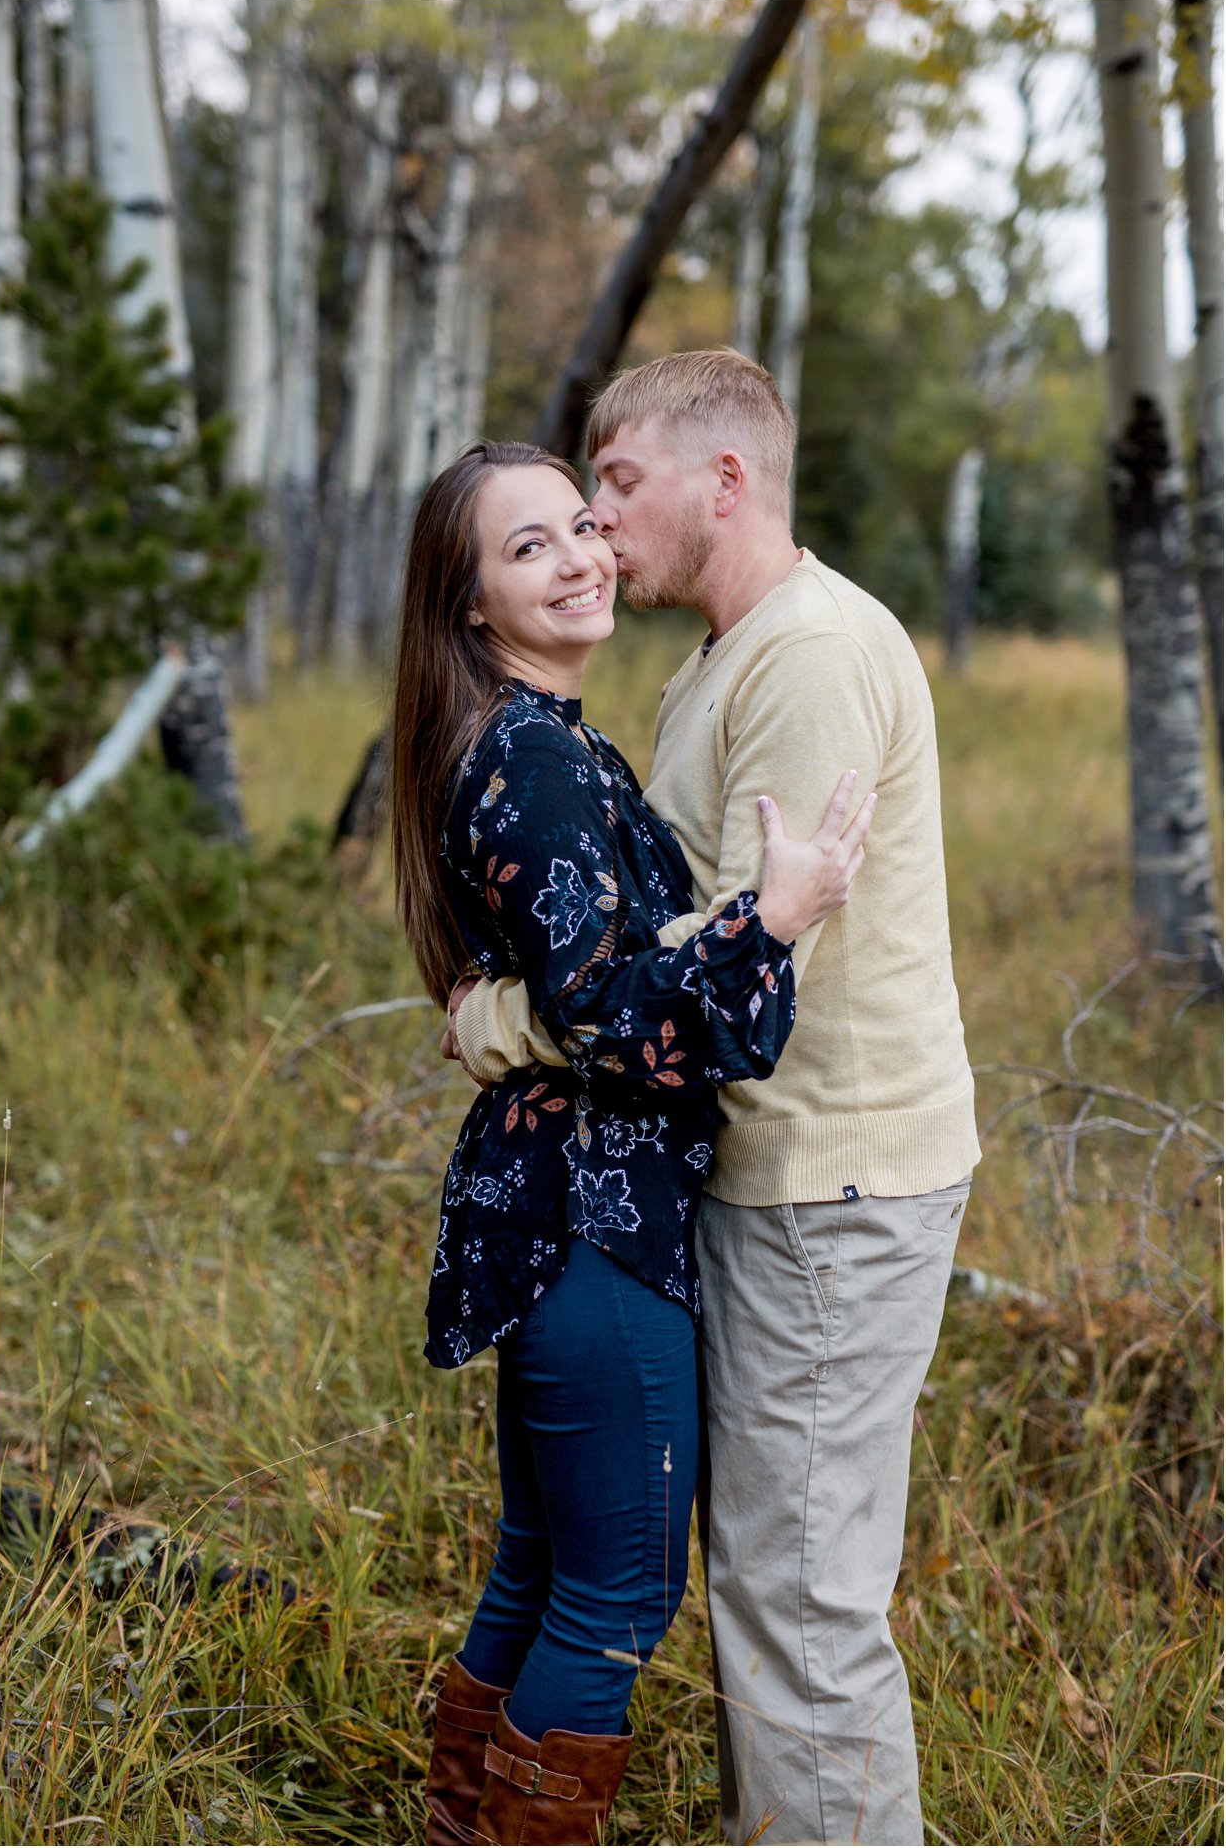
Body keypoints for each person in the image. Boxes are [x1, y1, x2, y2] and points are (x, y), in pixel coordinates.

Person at [446, 352, 981, 1847]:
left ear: (722, 480)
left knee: (799, 1599)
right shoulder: (718, 659)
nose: (599, 524)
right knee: (766, 1582)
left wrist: (508, 1014)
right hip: (765, 1178)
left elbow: (740, 955)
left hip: (832, 1182)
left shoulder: (804, 655)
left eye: (614, 486)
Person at [389, 439, 874, 1847]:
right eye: (525, 547)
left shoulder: (529, 735)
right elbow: (603, 1004)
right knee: (611, 1594)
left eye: (578, 527)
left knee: (540, 1566)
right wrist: (769, 919)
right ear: (471, 604)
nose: (577, 557)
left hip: (555, 1209)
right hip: (589, 1214)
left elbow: (564, 987)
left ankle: (459, 1823)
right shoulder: (533, 756)